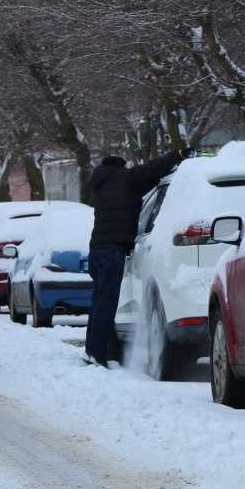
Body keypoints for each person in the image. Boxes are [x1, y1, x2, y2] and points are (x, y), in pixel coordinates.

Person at [85, 150, 184, 366]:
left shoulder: (101, 184)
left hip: (97, 249)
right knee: (107, 304)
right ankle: (97, 354)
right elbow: (150, 169)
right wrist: (176, 155)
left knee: (99, 302)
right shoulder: (124, 178)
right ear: (120, 167)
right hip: (113, 251)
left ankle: (93, 349)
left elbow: (142, 182)